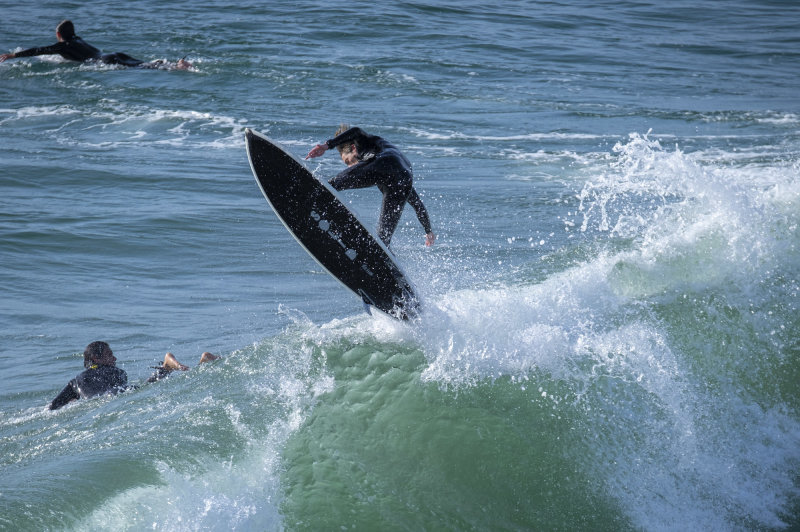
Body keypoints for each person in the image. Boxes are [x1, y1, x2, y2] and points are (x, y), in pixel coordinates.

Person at [306, 125, 435, 248]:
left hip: (386, 162)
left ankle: (308, 196)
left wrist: (327, 145)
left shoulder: (363, 145)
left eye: (348, 161)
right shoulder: (383, 165)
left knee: (332, 185)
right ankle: (384, 264)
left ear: (353, 148)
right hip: (403, 177)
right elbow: (417, 204)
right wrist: (428, 231)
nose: (350, 167)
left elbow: (356, 131)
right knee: (382, 240)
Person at [48, 341, 219, 410]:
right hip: (114, 394)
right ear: (96, 358)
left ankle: (167, 366)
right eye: (110, 355)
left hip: (108, 398)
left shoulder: (75, 381)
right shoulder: (117, 372)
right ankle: (167, 366)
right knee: (145, 387)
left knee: (145, 388)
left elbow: (53, 407)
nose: (114, 358)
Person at [0, 20, 191, 70]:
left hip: (104, 61)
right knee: (142, 64)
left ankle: (176, 67)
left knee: (142, 68)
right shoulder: (77, 39)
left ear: (58, 35)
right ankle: (173, 64)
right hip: (113, 54)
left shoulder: (63, 45)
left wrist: (12, 56)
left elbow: (39, 50)